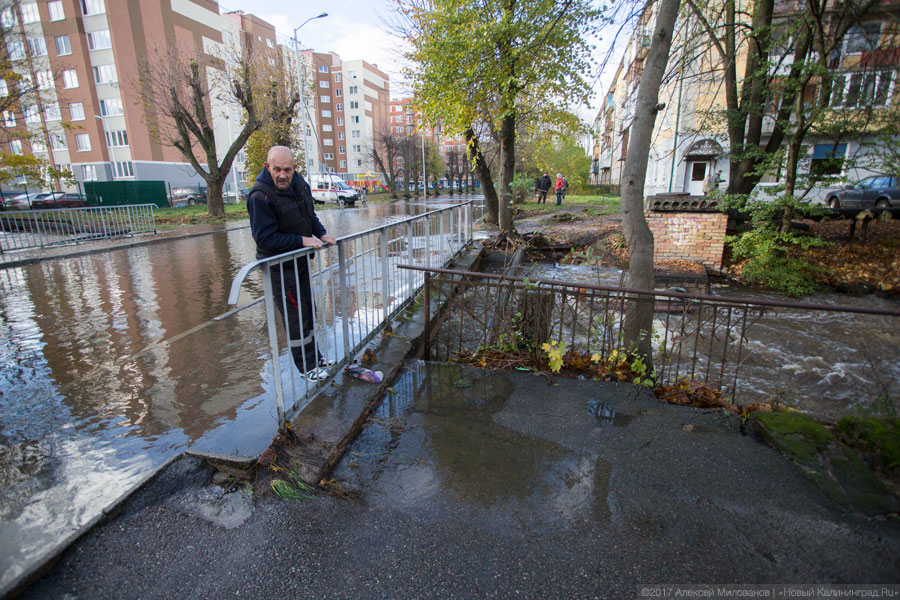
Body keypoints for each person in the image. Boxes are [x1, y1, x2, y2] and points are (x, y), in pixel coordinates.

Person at [247, 146, 337, 381]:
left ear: (294, 168)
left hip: (300, 262)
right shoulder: (260, 196)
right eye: (277, 169)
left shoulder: (299, 183)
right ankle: (307, 368)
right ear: (268, 167)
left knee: (308, 311)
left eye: (287, 169)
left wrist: (321, 234)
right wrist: (301, 240)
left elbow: (309, 215)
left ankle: (316, 359)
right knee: (296, 318)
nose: (282, 175)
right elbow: (265, 238)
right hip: (280, 268)